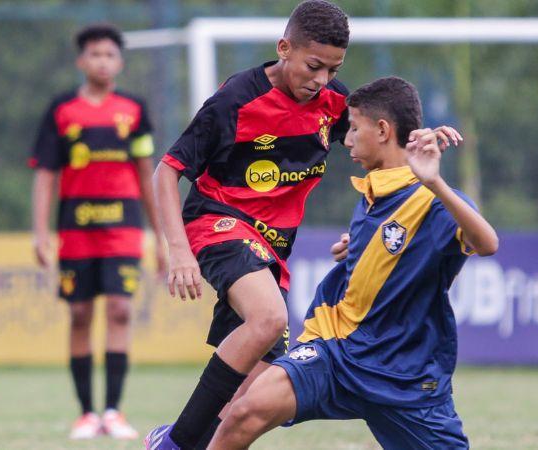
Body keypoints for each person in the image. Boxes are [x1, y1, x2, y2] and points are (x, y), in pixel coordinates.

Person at [145, 2, 461, 448]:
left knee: (250, 396)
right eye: (314, 67)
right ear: (284, 49)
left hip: (272, 250)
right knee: (269, 318)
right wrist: (178, 251)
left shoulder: (334, 103)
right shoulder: (236, 100)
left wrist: (417, 143)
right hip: (218, 221)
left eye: (333, 70)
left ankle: (178, 440)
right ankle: (174, 444)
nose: (322, 80)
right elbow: (167, 171)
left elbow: (380, 145)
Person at [206, 76, 499, 450]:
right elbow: (390, 248)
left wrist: (436, 183)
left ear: (383, 130)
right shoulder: (374, 191)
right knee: (245, 412)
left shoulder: (432, 200)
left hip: (403, 377)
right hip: (337, 353)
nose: (346, 140)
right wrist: (358, 249)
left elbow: (487, 243)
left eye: (355, 128)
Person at [29, 24, 166, 440]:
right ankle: (86, 414)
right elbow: (45, 175)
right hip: (76, 228)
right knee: (79, 314)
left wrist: (160, 236)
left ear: (119, 63)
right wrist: (40, 231)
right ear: (81, 61)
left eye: (109, 55)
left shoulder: (134, 110)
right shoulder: (62, 110)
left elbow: (145, 174)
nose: (102, 61)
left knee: (120, 310)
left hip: (123, 227)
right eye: (94, 54)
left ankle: (113, 412)